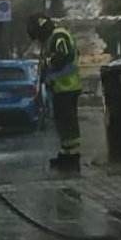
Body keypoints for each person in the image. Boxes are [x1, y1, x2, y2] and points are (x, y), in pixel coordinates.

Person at [29, 13, 82, 173]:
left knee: (68, 122)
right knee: (62, 122)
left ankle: (73, 155)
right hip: (60, 88)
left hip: (68, 87)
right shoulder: (52, 38)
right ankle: (66, 152)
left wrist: (48, 62)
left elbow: (65, 55)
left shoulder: (58, 36)